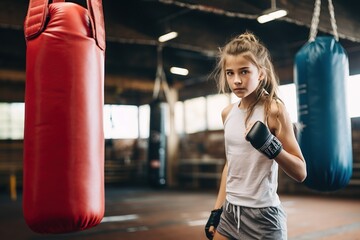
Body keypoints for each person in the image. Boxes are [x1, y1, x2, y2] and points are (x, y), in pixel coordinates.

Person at [204, 32, 307, 240]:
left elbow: (300, 172)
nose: (236, 81)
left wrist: (271, 146)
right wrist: (217, 210)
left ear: (260, 73)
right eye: (230, 73)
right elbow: (230, 164)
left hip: (264, 217)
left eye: (244, 72)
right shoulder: (227, 113)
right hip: (231, 213)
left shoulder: (274, 110)